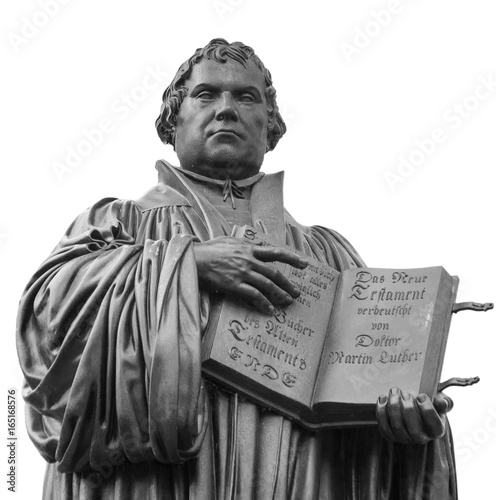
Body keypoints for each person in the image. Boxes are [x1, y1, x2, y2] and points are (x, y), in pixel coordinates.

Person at [17, 39, 456, 499]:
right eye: (206, 95)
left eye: (246, 97)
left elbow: (369, 413)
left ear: (271, 127)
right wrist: (187, 264)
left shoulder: (330, 257)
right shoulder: (117, 225)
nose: (226, 109)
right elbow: (47, 328)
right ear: (173, 120)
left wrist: (407, 431)